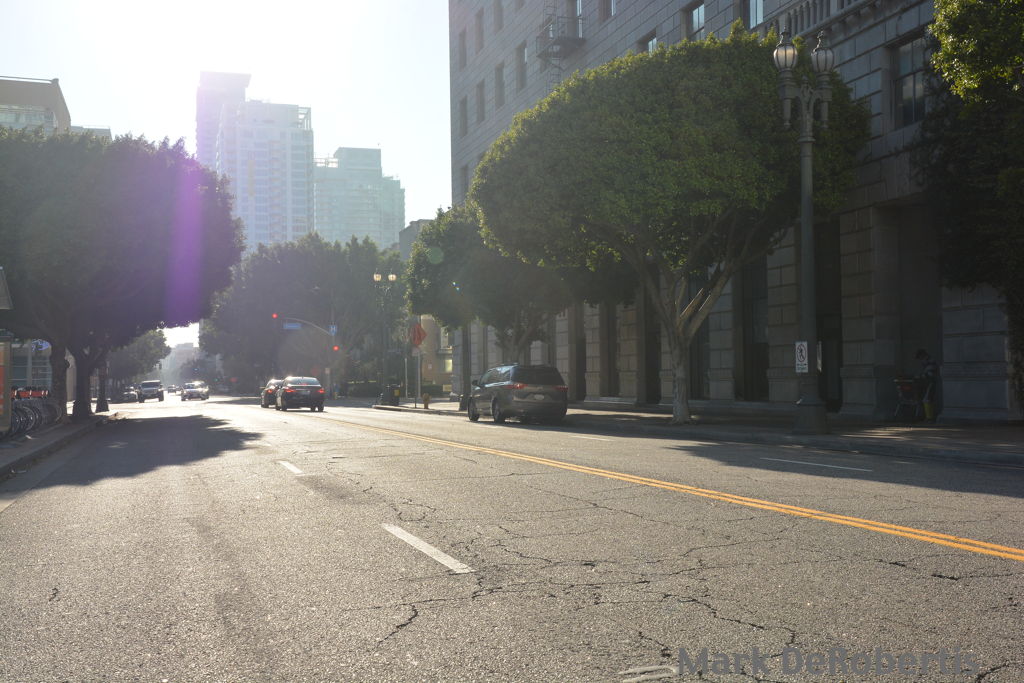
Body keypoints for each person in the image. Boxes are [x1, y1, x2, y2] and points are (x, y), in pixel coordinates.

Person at [915, 349, 940, 421]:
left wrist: (920, 376)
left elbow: (930, 374)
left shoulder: (930, 361)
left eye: (920, 357)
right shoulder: (927, 361)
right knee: (926, 399)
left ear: (923, 355)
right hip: (927, 382)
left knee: (927, 399)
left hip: (930, 382)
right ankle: (928, 417)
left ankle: (929, 418)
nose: (920, 360)